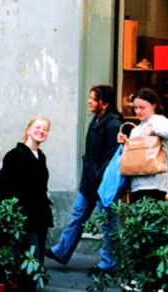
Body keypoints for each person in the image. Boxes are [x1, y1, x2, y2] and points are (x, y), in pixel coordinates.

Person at [47, 85, 122, 275]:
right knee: (78, 216)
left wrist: (98, 174)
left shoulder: (112, 124)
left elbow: (112, 156)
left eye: (93, 99)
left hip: (102, 184)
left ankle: (108, 264)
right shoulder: (96, 120)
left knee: (107, 223)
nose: (89, 101)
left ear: (104, 103)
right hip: (88, 182)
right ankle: (61, 251)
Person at [0, 116, 53, 291]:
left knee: (36, 262)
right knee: (28, 263)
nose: (41, 131)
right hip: (24, 218)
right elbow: (5, 187)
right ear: (27, 130)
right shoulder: (14, 156)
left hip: (39, 217)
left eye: (45, 129)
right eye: (37, 127)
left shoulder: (40, 157)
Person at [117, 88, 168, 203]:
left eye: (142, 108)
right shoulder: (137, 128)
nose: (138, 111)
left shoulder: (158, 121)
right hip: (136, 184)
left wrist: (154, 129)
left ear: (153, 105)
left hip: (155, 185)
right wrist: (125, 142)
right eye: (135, 108)